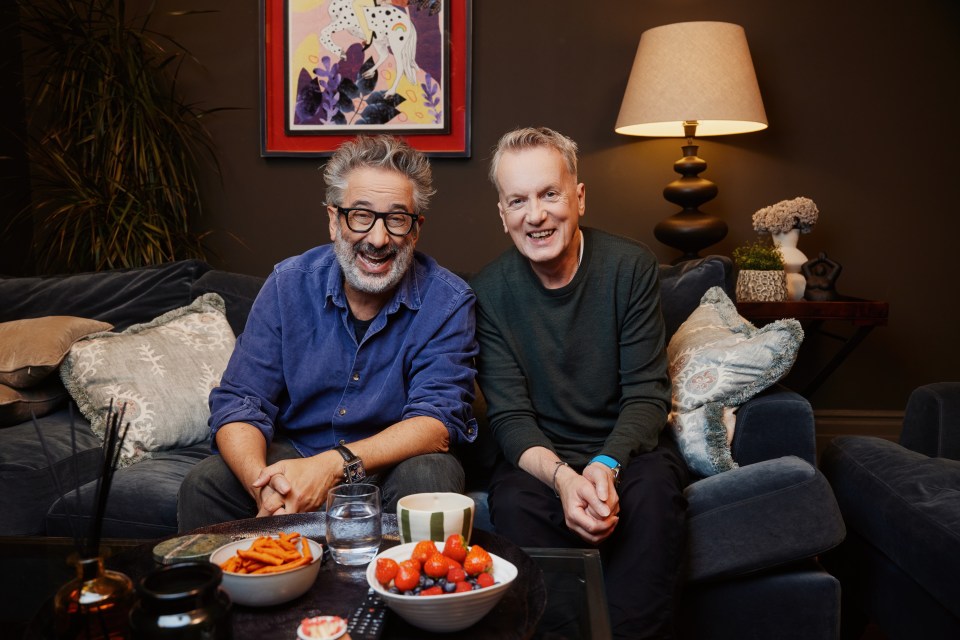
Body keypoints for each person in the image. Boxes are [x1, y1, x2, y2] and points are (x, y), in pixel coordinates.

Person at [178, 134, 478, 532]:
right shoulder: (288, 285)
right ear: (334, 221)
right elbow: (240, 401)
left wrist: (332, 467)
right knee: (204, 485)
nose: (378, 238)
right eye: (360, 215)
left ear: (416, 230)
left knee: (430, 476)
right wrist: (264, 485)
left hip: (390, 464)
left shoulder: (448, 300)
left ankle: (397, 594)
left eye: (396, 218)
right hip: (296, 455)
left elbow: (436, 421)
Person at [471, 127, 689, 639]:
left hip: (627, 453)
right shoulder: (486, 292)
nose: (537, 215)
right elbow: (510, 418)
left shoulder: (629, 267)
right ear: (503, 216)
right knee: (515, 504)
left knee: (656, 495)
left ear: (579, 197)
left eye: (550, 194)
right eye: (518, 201)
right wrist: (566, 479)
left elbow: (646, 394)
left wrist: (605, 465)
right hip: (540, 461)